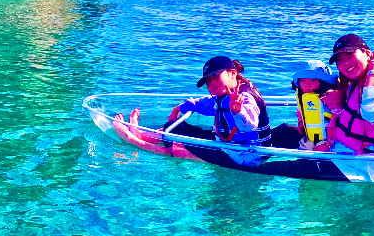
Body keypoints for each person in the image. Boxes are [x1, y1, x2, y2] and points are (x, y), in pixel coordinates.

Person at [114, 55, 272, 166]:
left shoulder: (243, 98)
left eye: (216, 77)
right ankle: (141, 133)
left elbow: (249, 124)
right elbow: (211, 104)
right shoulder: (228, 93)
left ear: (232, 73)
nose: (212, 84)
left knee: (178, 148)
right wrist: (182, 107)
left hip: (244, 157)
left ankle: (133, 139)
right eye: (208, 81)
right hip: (231, 145)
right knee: (178, 128)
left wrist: (238, 111)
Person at [314, 33, 374, 182]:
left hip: (362, 168)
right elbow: (353, 116)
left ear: (367, 54)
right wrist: (335, 107)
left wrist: (373, 70)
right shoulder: (354, 84)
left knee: (274, 171)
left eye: (350, 55)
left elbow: (372, 112)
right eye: (340, 60)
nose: (345, 63)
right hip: (341, 156)